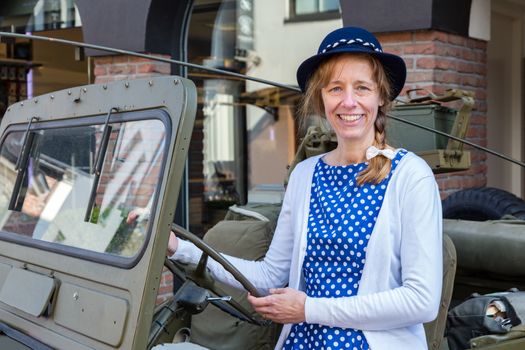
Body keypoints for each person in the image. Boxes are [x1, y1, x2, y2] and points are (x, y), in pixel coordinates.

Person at [168, 26, 442, 350]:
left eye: (362, 88)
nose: (349, 101)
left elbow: (421, 301)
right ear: (321, 97)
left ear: (381, 96)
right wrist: (179, 247)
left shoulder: (410, 176)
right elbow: (270, 275)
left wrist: (308, 309)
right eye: (335, 88)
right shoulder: (305, 175)